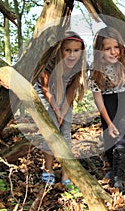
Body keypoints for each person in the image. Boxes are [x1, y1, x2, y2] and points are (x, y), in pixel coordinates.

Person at [34, 31, 87, 186]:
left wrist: (64, 110)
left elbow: (72, 89)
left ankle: (66, 172)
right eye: (68, 50)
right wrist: (56, 110)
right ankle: (48, 169)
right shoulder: (50, 61)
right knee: (52, 129)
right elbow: (45, 88)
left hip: (64, 94)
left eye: (76, 51)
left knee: (65, 132)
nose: (72, 55)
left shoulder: (80, 65)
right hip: (45, 93)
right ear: (60, 50)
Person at [89, 26, 125, 192]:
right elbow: (98, 98)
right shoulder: (95, 68)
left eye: (116, 47)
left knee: (122, 130)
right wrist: (109, 123)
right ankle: (112, 167)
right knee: (109, 134)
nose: (113, 52)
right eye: (107, 49)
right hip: (107, 97)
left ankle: (118, 177)